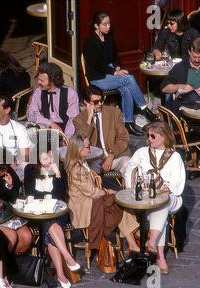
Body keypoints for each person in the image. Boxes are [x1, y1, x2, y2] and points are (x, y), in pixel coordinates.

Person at [124, 122, 186, 274]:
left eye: (153, 136)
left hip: (171, 199)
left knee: (162, 204)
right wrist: (135, 183)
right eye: (148, 136)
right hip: (147, 197)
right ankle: (158, 256)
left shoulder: (175, 156)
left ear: (164, 137)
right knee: (159, 210)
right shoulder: (142, 152)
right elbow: (129, 168)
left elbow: (178, 183)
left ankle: (152, 243)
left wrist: (167, 187)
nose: (149, 139)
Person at [83, 12, 156, 136]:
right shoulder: (90, 42)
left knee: (126, 89)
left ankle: (128, 123)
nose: (108, 27)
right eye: (105, 25)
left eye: (109, 24)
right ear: (96, 26)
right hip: (98, 77)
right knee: (129, 79)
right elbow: (96, 65)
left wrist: (117, 66)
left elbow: (115, 57)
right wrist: (115, 72)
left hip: (110, 73)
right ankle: (144, 109)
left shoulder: (109, 39)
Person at [65, 134, 140, 254]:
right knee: (118, 204)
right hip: (82, 206)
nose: (90, 148)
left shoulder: (81, 162)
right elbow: (91, 192)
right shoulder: (76, 168)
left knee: (119, 203)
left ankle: (134, 240)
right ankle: (136, 236)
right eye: (87, 147)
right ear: (79, 149)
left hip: (89, 200)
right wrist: (107, 191)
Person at [24, 142, 82, 288]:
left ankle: (61, 274)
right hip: (37, 213)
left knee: (50, 226)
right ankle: (67, 257)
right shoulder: (30, 170)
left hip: (57, 212)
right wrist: (45, 196)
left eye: (51, 156)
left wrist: (56, 174)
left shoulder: (59, 168)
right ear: (37, 160)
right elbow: (31, 194)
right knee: (48, 223)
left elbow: (60, 195)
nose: (49, 161)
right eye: (45, 159)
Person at [0, 148, 33, 254]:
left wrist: (10, 185)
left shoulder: (9, 172)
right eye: (2, 168)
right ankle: (3, 264)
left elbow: (14, 197)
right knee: (12, 237)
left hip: (9, 214)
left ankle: (10, 260)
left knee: (27, 237)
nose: (5, 170)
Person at [73, 85, 130, 176]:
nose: (100, 104)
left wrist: (111, 155)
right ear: (86, 102)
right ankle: (98, 190)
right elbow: (82, 141)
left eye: (101, 100)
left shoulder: (114, 113)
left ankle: (130, 190)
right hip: (94, 159)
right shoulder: (79, 120)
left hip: (114, 155)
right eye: (95, 102)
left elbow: (123, 138)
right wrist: (89, 119)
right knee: (89, 171)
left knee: (128, 164)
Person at [161, 37, 200, 111]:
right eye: (194, 56)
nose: (197, 60)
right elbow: (164, 88)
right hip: (185, 110)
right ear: (189, 52)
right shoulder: (180, 67)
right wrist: (180, 86)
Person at [27, 61, 79, 138]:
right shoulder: (38, 92)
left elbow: (73, 120)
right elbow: (32, 115)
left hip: (66, 131)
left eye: (42, 81)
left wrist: (66, 137)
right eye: (39, 79)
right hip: (45, 129)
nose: (38, 82)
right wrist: (50, 123)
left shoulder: (70, 93)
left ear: (53, 81)